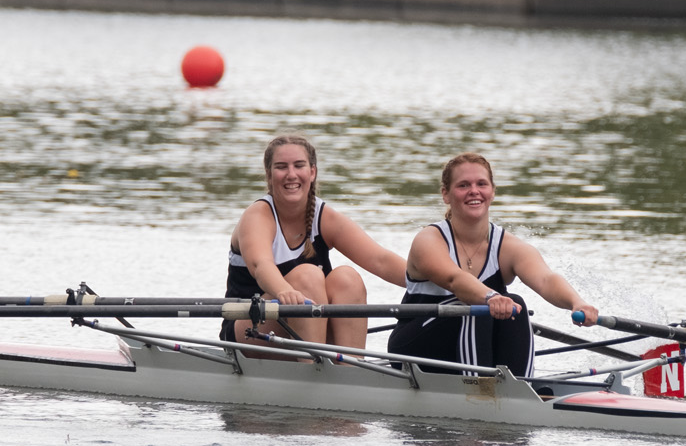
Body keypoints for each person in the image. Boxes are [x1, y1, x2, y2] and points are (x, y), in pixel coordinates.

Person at [388, 152, 599, 378]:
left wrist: (576, 302)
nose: (474, 191)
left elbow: (546, 279)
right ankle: (480, 392)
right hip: (414, 350)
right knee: (474, 307)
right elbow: (455, 280)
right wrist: (490, 297)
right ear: (446, 195)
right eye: (463, 185)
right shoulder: (429, 239)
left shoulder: (508, 245)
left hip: (468, 349)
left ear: (493, 192)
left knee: (515, 305)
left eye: (481, 184)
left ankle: (519, 387)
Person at [225, 134, 405, 351]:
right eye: (281, 167)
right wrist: (283, 290)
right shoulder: (258, 216)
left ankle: (351, 372)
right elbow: (260, 265)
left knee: (347, 278)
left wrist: (439, 286)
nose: (291, 175)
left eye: (298, 166)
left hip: (305, 331)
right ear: (269, 175)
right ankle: (317, 368)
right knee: (307, 276)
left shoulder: (324, 217)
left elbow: (380, 260)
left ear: (312, 172)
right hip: (251, 331)